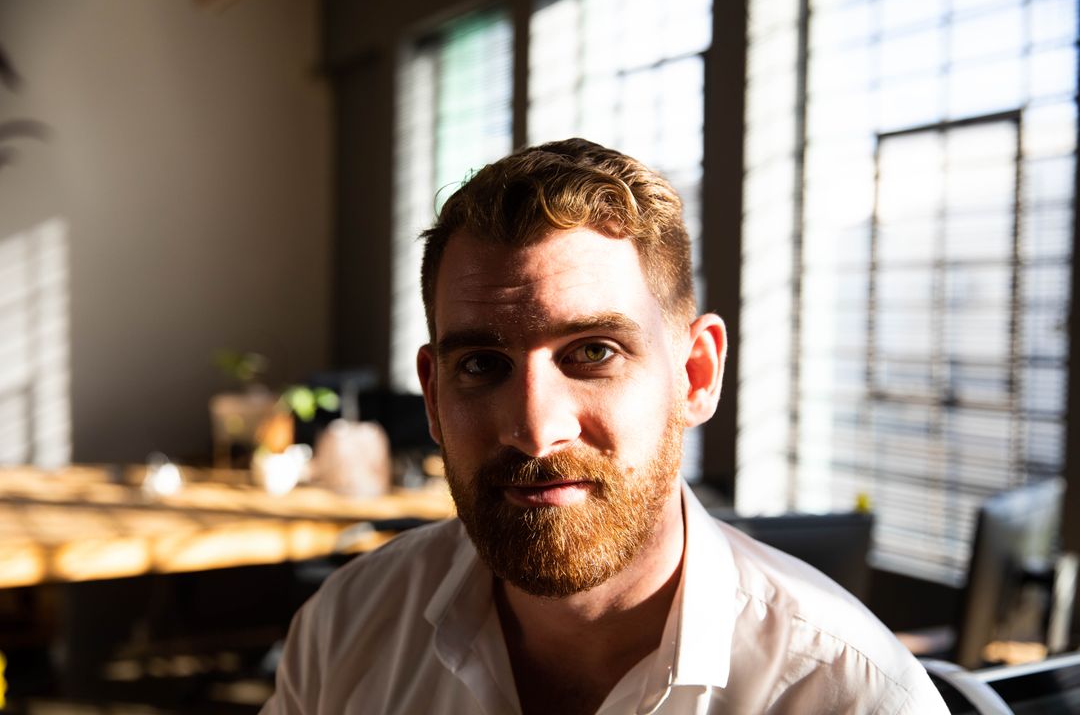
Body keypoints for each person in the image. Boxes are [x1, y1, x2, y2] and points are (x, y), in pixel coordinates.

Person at [261, 139, 948, 714]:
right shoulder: (346, 631)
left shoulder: (847, 693)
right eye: (481, 364)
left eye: (593, 352)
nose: (534, 429)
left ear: (696, 375)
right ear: (434, 397)